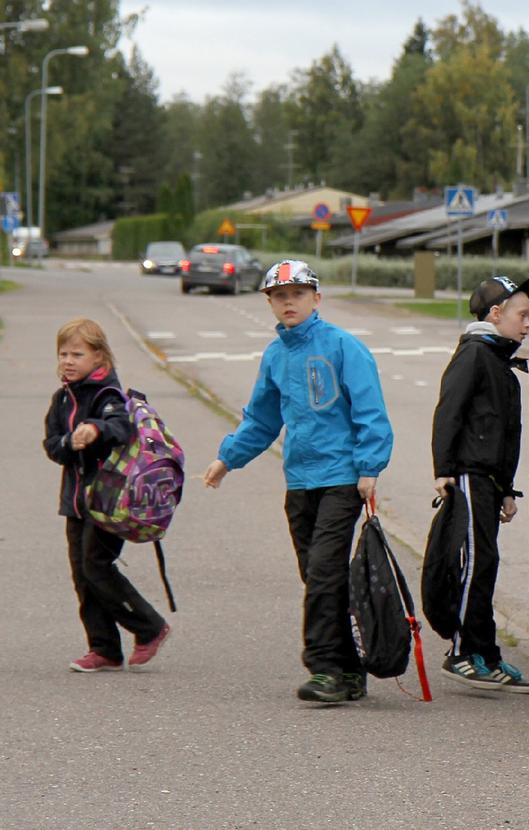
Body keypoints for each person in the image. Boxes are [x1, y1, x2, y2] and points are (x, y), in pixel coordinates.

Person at [202, 260, 393, 705]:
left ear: (316, 299)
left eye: (298, 295)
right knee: (318, 576)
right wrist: (227, 459)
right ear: (269, 303)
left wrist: (369, 468)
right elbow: (262, 418)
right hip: (300, 482)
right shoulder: (276, 356)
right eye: (280, 296)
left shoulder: (344, 347)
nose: (289, 303)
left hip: (342, 479)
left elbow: (370, 411)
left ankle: (324, 668)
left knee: (325, 571)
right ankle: (349, 671)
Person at [43, 318, 171, 673]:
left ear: (99, 357)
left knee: (96, 565)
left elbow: (119, 427)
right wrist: (70, 442)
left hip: (110, 501)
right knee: (82, 574)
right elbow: (52, 446)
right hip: (75, 501)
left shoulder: (107, 394)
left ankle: (150, 627)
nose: (68, 361)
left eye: (77, 353)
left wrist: (95, 429)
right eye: (63, 354)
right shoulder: (62, 399)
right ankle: (103, 649)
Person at [431, 275, 529, 693]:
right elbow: (448, 412)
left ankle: (487, 655)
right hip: (469, 476)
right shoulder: (475, 355)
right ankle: (461, 652)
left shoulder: (499, 361)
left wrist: (508, 490)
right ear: (496, 314)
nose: (528, 323)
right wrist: (444, 469)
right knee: (475, 565)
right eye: (522, 315)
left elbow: (504, 435)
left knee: (487, 565)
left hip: (491, 481)